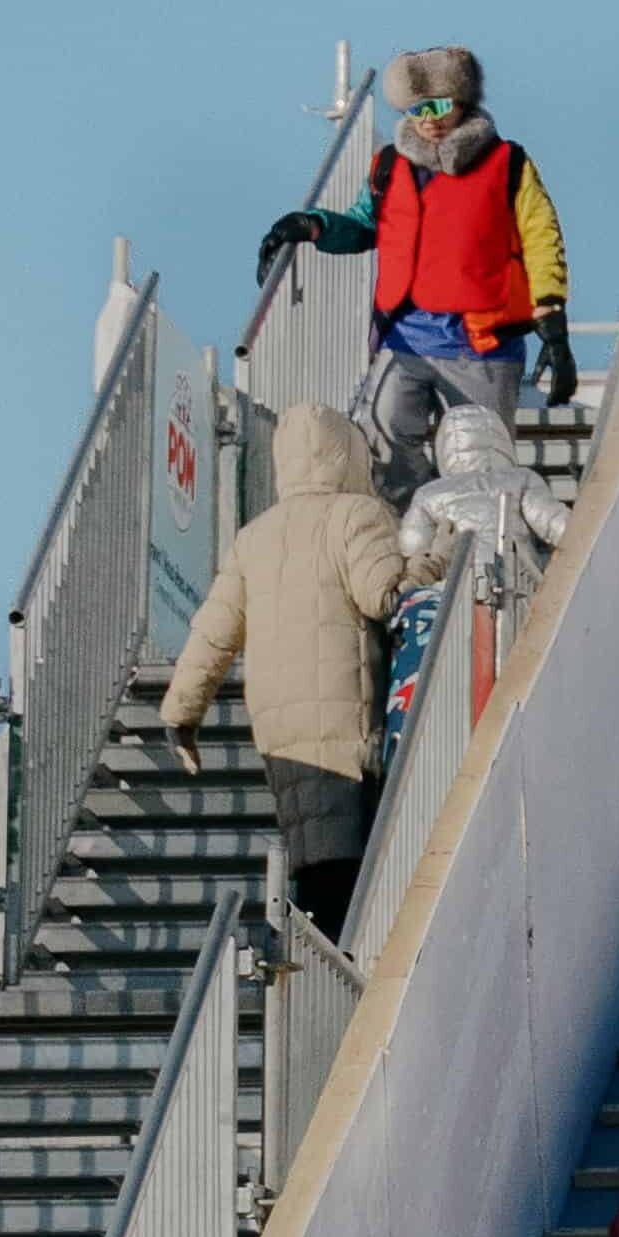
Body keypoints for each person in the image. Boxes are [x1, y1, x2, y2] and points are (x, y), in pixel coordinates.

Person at [262, 47, 573, 496]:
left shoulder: (508, 164)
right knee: (386, 443)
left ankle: (476, 549)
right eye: (417, 109)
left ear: (462, 102)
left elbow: (541, 236)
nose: (429, 119)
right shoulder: (390, 166)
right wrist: (312, 226)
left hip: (482, 343)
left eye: (440, 105)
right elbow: (365, 224)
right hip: (405, 338)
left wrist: (551, 318)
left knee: (482, 460)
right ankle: (406, 531)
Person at [159, 398, 406, 935]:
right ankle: (347, 978)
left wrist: (182, 712)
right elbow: (382, 595)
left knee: (315, 859)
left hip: (281, 733)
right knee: (355, 868)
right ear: (347, 456)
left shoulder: (255, 537)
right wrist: (431, 561)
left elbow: (213, 632)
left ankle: (320, 968)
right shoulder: (356, 515)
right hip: (346, 724)